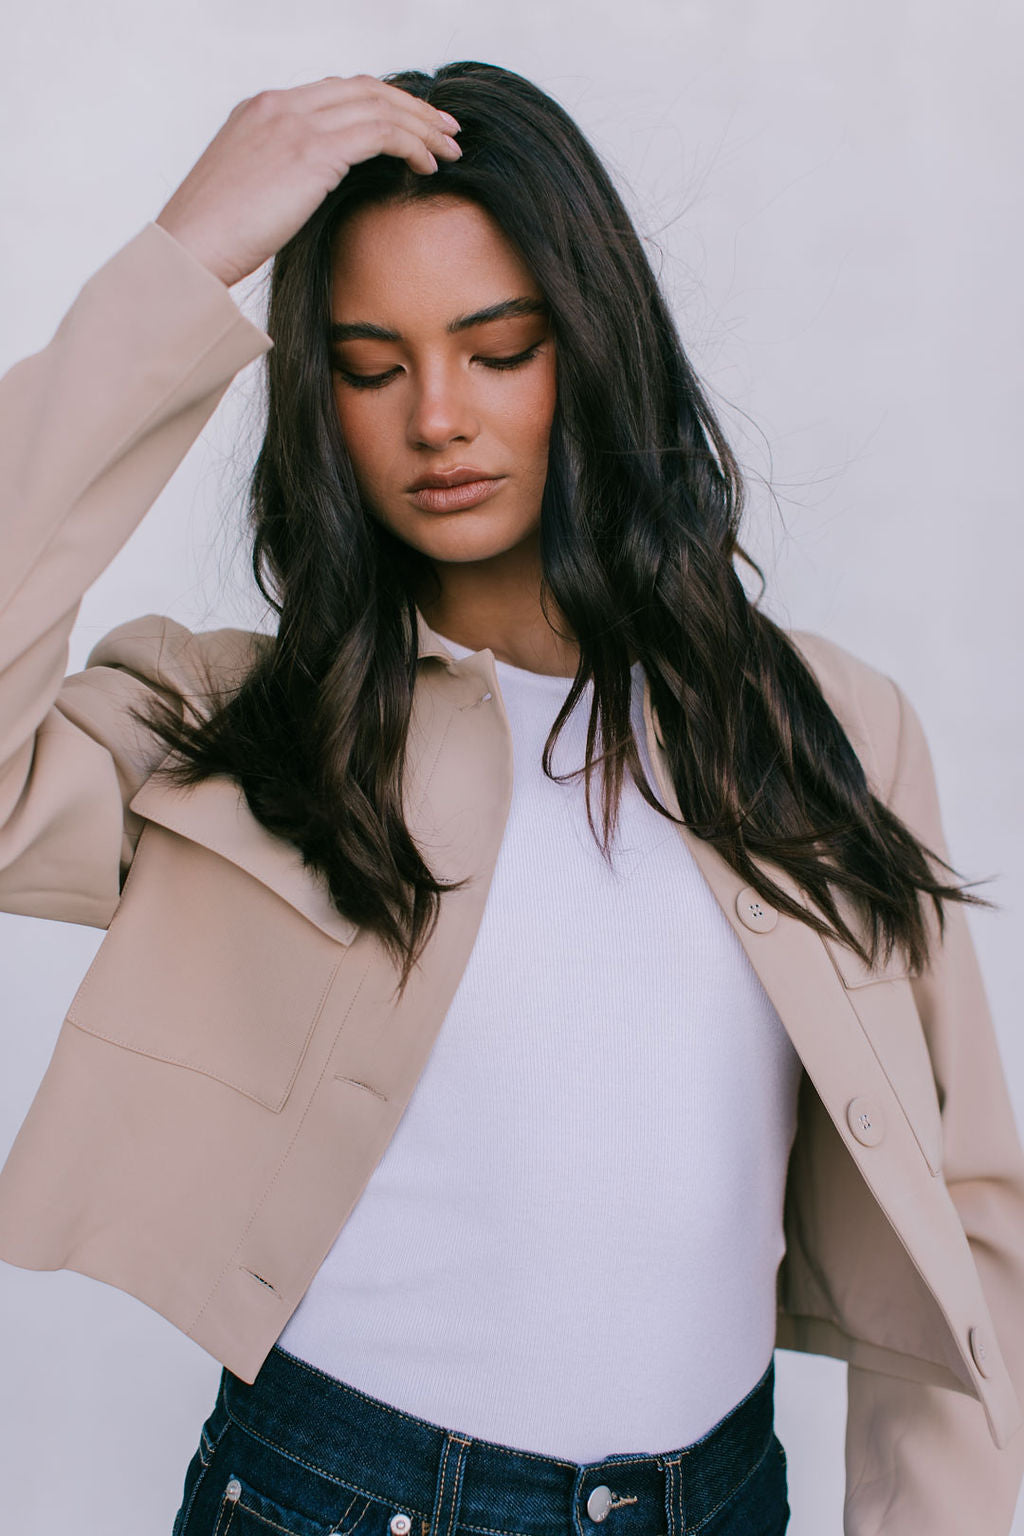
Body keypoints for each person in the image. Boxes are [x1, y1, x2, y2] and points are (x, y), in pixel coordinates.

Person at [0, 60, 1022, 1536]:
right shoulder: (229, 722)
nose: (437, 418)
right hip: (337, 1500)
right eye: (370, 364)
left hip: (722, 1503)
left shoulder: (830, 727)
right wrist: (181, 266)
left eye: (499, 349)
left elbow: (965, 1207)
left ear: (593, 348)